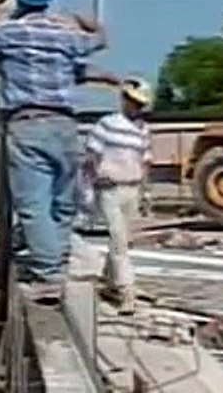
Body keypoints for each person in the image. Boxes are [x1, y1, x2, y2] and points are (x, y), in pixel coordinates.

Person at [0, 0, 107, 297]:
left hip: (27, 123)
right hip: (67, 125)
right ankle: (58, 261)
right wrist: (92, 24)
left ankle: (48, 276)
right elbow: (99, 41)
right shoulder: (66, 35)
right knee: (62, 201)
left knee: (33, 203)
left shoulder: (9, 33)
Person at [84, 77, 153, 315]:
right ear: (124, 100)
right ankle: (126, 291)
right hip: (110, 187)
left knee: (122, 241)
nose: (135, 107)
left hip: (131, 188)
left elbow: (144, 161)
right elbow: (91, 154)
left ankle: (109, 281)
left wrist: (145, 191)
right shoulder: (107, 124)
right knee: (118, 240)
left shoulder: (143, 130)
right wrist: (95, 178)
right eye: (131, 101)